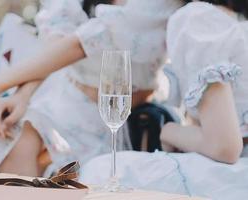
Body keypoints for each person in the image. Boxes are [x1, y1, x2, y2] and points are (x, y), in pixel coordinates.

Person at [0, 0, 184, 177]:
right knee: (10, 131)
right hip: (70, 102)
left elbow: (80, 44)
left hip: (135, 118)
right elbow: (57, 43)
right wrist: (23, 95)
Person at [80, 1, 248, 199]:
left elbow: (225, 147)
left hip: (238, 174)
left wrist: (169, 132)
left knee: (99, 170)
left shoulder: (198, 19)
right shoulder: (232, 24)